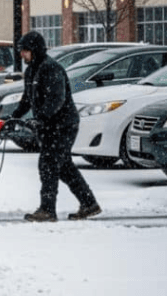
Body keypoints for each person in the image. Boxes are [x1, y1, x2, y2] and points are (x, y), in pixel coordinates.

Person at [11, 30, 101, 222]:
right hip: (49, 126)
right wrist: (13, 117)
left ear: (34, 50)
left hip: (63, 125)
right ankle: (89, 204)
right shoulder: (31, 70)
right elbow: (27, 99)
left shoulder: (51, 69)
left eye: (25, 51)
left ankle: (47, 210)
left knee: (48, 165)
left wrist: (41, 118)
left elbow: (56, 100)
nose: (22, 55)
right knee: (64, 167)